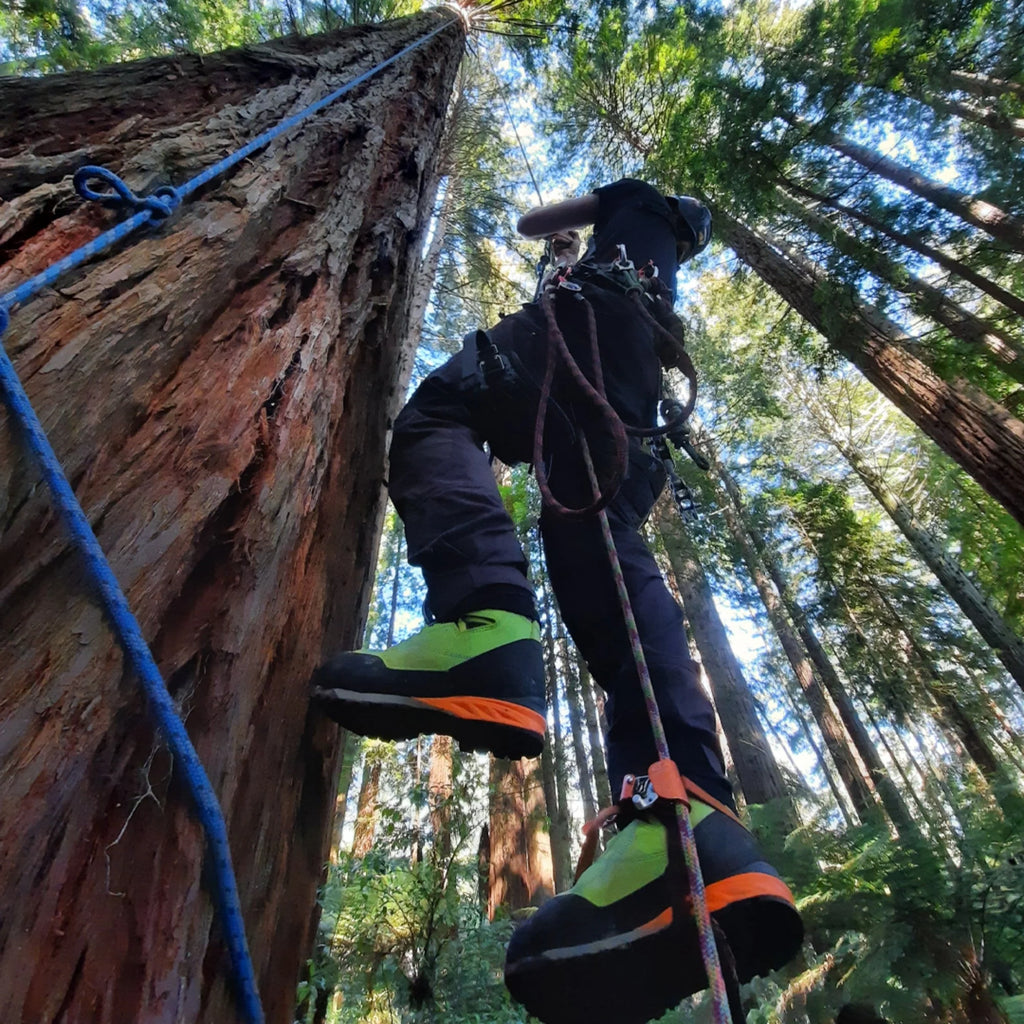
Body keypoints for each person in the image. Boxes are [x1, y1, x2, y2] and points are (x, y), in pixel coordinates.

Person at [311, 179, 803, 1024]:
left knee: (437, 415)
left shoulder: (633, 199)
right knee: (593, 535)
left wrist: (567, 240)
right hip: (634, 386)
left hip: (589, 327)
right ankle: (683, 813)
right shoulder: (666, 257)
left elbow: (532, 218)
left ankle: (485, 619)